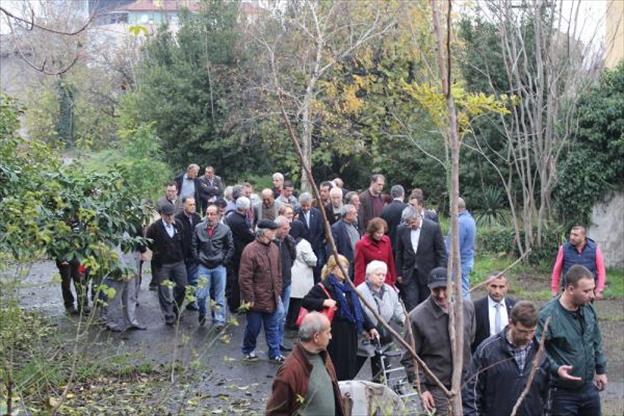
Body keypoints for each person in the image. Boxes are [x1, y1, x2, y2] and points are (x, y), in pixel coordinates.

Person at [400, 267, 475, 415]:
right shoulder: (416, 318)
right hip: (437, 387)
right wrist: (422, 389)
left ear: (453, 286)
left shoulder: (467, 308)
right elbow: (409, 358)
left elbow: (470, 340)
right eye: (436, 290)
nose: (441, 295)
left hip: (465, 383)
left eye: (445, 289)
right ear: (429, 288)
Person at [537, 264, 607, 416]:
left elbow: (596, 340)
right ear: (570, 289)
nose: (592, 295)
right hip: (561, 392)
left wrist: (600, 370)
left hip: (588, 388)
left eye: (592, 289)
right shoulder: (548, 315)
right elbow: (537, 351)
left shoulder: (588, 309)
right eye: (586, 291)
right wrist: (555, 368)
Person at [463, 301, 548, 416]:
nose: (528, 337)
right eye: (522, 331)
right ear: (511, 323)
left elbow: (549, 393)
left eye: (532, 331)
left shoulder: (541, 352)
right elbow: (471, 392)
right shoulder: (488, 351)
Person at [302, 254, 378, 380]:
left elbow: (358, 309)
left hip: (350, 333)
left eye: (347, 267)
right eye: (341, 267)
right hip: (334, 333)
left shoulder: (349, 287)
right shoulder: (324, 286)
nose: (345, 270)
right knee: (336, 366)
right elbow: (306, 301)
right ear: (332, 269)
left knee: (349, 365)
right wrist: (323, 302)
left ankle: (344, 392)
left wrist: (370, 327)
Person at [266, 312, 345, 416]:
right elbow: (275, 412)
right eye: (328, 332)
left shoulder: (323, 355)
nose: (330, 337)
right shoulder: (289, 371)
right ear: (316, 337)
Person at [239, 219, 284, 362]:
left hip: (272, 297)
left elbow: (278, 272)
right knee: (253, 328)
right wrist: (249, 298)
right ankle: (248, 350)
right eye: (272, 231)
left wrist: (278, 290)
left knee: (273, 327)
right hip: (256, 299)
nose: (275, 233)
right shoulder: (249, 250)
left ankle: (275, 353)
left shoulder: (275, 248)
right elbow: (245, 277)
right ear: (264, 232)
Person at [355, 261, 405, 381]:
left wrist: (404, 321)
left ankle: (380, 392)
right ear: (369, 275)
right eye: (378, 275)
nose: (382, 278)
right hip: (364, 337)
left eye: (383, 275)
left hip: (384, 336)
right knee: (354, 368)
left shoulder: (389, 290)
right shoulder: (359, 291)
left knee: (383, 370)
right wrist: (363, 330)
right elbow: (356, 314)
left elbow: (398, 309)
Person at [395, 206, 447, 311]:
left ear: (418, 217)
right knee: (411, 303)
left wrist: (440, 272)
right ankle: (413, 326)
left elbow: (441, 252)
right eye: (407, 223)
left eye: (412, 222)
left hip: (428, 272)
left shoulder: (433, 227)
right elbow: (399, 252)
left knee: (428, 302)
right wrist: (399, 273)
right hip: (409, 273)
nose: (410, 226)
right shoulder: (401, 229)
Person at [145, 202, 188, 325]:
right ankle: (168, 315)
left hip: (178, 261)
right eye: (167, 215)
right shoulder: (155, 227)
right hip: (162, 264)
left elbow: (183, 240)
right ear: (161, 214)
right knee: (163, 290)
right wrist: (158, 252)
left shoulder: (178, 225)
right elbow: (148, 241)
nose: (170, 217)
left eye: (172, 215)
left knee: (182, 286)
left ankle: (175, 309)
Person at [193, 204, 234, 328]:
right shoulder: (198, 228)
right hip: (203, 265)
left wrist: (224, 261)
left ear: (218, 215)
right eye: (207, 214)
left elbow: (230, 247)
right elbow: (194, 245)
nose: (209, 217)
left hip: (218, 265)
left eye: (212, 214)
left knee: (219, 294)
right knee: (200, 295)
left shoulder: (225, 229)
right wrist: (198, 259)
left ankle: (219, 320)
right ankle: (202, 312)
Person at [551, 225, 607, 299]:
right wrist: (554, 289)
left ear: (583, 236)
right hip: (569, 290)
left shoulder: (595, 249)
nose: (572, 237)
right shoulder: (564, 249)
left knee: (586, 310)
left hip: (587, 292)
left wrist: (599, 289)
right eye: (571, 234)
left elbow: (601, 270)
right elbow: (556, 270)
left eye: (575, 235)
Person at [224, 196, 255, 313]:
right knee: (238, 280)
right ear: (246, 209)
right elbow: (249, 236)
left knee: (234, 279)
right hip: (239, 253)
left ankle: (233, 302)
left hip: (232, 251)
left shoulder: (231, 217)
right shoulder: (240, 222)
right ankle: (234, 304)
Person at [472, 272, 517, 352]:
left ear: (507, 287)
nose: (497, 291)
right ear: (486, 286)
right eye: (493, 286)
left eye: (501, 287)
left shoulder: (515, 307)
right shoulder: (476, 308)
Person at [287, 220, 317, 330]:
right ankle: (295, 323)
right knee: (299, 303)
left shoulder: (288, 240)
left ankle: (288, 322)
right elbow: (312, 260)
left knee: (290, 303)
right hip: (302, 276)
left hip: (291, 275)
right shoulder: (304, 243)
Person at [445, 197, 476, 298]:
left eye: (450, 208)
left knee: (461, 292)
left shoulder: (459, 223)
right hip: (467, 259)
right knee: (463, 289)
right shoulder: (470, 219)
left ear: (455, 208)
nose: (449, 210)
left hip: (460, 263)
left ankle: (465, 312)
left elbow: (454, 246)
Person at [274, 216, 297, 352]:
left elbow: (293, 257)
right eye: (284, 228)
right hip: (275, 283)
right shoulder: (271, 242)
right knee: (279, 313)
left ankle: (279, 341)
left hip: (287, 281)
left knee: (284, 314)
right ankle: (274, 343)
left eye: (288, 228)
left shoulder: (289, 241)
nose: (287, 231)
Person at [175, 197, 202, 311]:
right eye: (190, 204)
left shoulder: (197, 217)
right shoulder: (177, 219)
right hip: (181, 256)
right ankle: (176, 306)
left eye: (194, 204)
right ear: (184, 205)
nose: (193, 207)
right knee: (181, 283)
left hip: (194, 255)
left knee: (193, 280)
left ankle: (191, 301)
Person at [353, 217, 397, 288]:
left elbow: (390, 261)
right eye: (378, 233)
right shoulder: (361, 245)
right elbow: (359, 268)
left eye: (382, 233)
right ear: (372, 231)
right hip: (371, 282)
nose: (380, 235)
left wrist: (393, 278)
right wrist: (359, 287)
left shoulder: (386, 240)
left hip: (386, 280)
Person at [296, 192, 324, 282]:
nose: (306, 208)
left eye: (308, 206)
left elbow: (320, 230)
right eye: (303, 206)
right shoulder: (296, 214)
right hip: (302, 247)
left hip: (315, 246)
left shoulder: (317, 213)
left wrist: (314, 244)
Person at [330, 204, 359, 278]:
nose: (357, 215)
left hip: (356, 261)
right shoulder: (336, 228)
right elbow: (333, 248)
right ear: (348, 214)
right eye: (354, 213)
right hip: (345, 262)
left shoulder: (355, 225)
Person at [380, 184, 408, 249]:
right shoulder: (408, 209)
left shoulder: (384, 210)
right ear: (403, 194)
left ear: (392, 195)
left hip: (389, 245)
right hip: (404, 246)